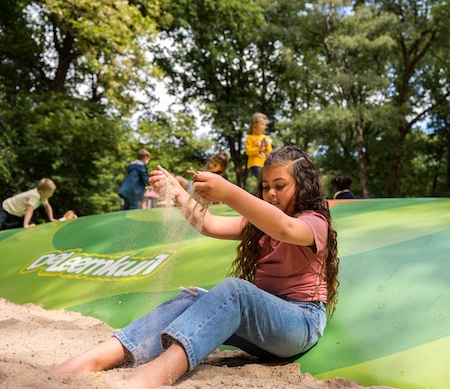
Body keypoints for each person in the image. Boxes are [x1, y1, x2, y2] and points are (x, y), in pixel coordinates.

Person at [55, 146, 340, 389]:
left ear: (303, 186)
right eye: (265, 187)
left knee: (235, 290)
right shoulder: (258, 225)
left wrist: (228, 191)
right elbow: (209, 224)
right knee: (193, 297)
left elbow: (285, 229)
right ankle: (100, 356)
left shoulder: (313, 222)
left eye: (280, 186)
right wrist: (178, 193)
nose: (271, 193)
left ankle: (151, 378)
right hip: (265, 329)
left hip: (300, 323)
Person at [245, 112, 272, 184]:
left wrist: (266, 148)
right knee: (262, 180)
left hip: (265, 164)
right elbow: (248, 151)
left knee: (265, 180)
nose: (264, 127)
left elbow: (270, 152)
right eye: (262, 124)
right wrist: (259, 149)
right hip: (255, 164)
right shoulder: (250, 137)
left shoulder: (265, 137)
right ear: (255, 125)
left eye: (265, 125)